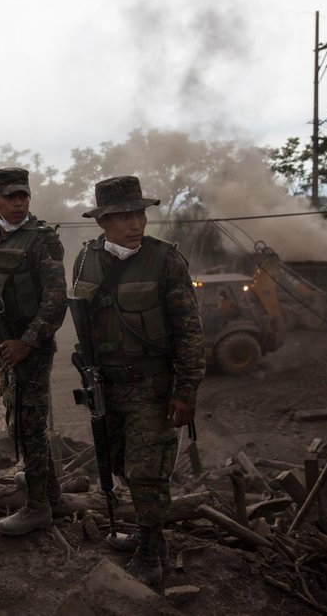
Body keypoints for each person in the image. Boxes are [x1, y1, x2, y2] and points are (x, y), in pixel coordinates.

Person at [70, 175, 205, 587]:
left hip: (152, 387)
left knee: (149, 472)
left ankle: (150, 554)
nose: (135, 223)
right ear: (103, 222)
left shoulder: (165, 260)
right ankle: (152, 538)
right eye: (123, 216)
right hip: (107, 386)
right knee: (120, 464)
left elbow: (190, 331)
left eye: (139, 214)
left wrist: (186, 390)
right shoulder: (85, 260)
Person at [0, 167, 68, 536]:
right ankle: (53, 498)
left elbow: (55, 302)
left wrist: (27, 343)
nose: (18, 203)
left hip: (29, 347)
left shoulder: (42, 240)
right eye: (10, 197)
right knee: (18, 417)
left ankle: (38, 509)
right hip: (4, 344)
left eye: (23, 196)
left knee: (29, 423)